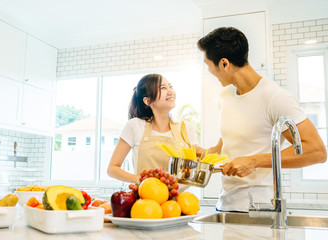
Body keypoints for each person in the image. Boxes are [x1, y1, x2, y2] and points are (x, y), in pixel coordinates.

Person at [197, 27, 327, 212]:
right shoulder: (225, 96)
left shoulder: (275, 97)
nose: (208, 70)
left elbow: (316, 151)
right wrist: (205, 153)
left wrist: (254, 161)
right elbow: (227, 146)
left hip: (260, 209)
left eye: (207, 64)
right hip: (225, 206)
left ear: (224, 63)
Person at [107, 73, 199, 185]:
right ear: (148, 101)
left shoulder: (185, 129)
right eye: (163, 88)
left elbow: (196, 164)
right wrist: (141, 180)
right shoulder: (135, 126)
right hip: (145, 199)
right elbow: (112, 169)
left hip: (177, 200)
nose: (170, 91)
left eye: (170, 86)